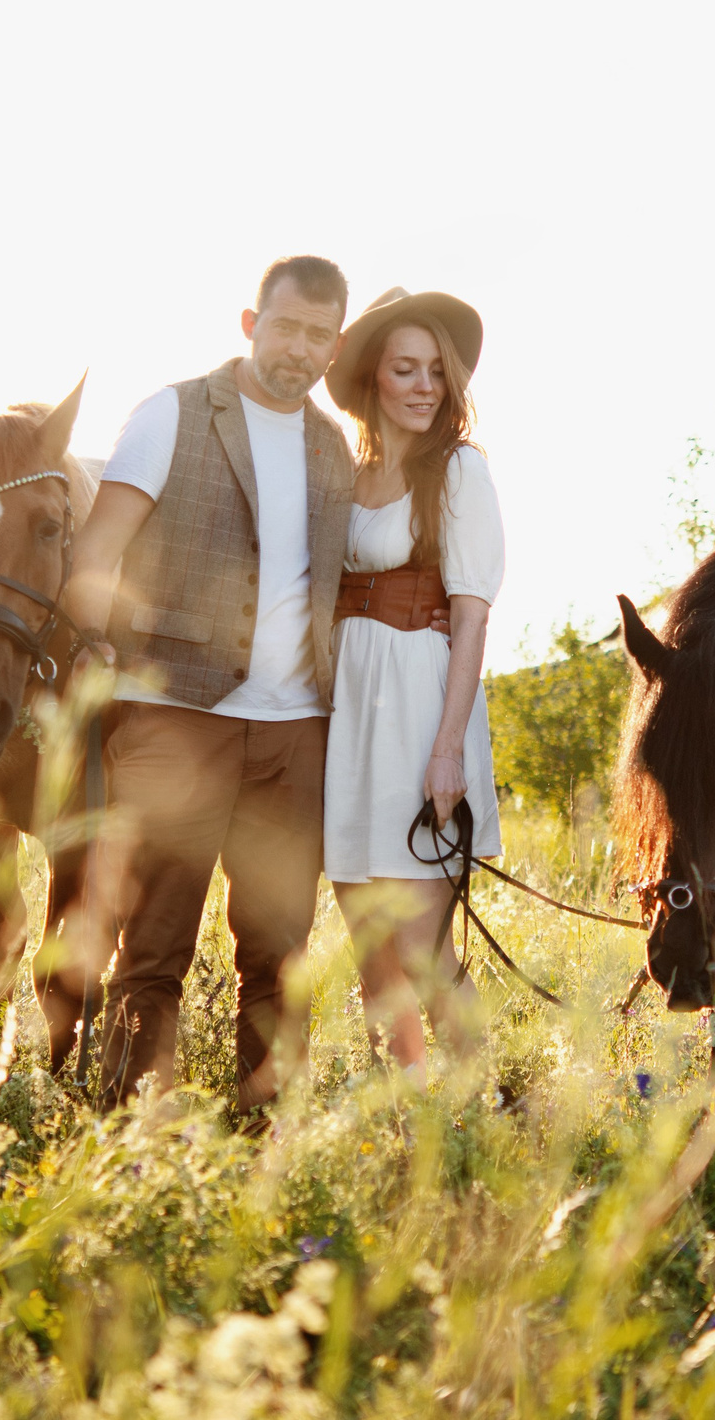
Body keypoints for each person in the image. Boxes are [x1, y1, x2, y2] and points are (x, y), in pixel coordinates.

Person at [63, 256, 355, 1113]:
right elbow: (96, 551)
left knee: (278, 953)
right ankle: (133, 1136)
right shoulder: (172, 412)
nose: (299, 348)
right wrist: (98, 646)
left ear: (335, 347)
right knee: (154, 947)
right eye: (286, 326)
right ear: (250, 323)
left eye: (318, 335)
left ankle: (265, 1135)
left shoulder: (334, 446)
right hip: (174, 720)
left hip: (295, 734)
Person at [320, 286, 505, 1072]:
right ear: (373, 377)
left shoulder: (458, 469)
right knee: (371, 946)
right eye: (406, 369)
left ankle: (480, 1107)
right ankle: (405, 1114)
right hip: (351, 712)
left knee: (423, 948)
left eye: (436, 370)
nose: (425, 386)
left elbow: (471, 616)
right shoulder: (345, 473)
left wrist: (447, 749)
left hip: (422, 706)